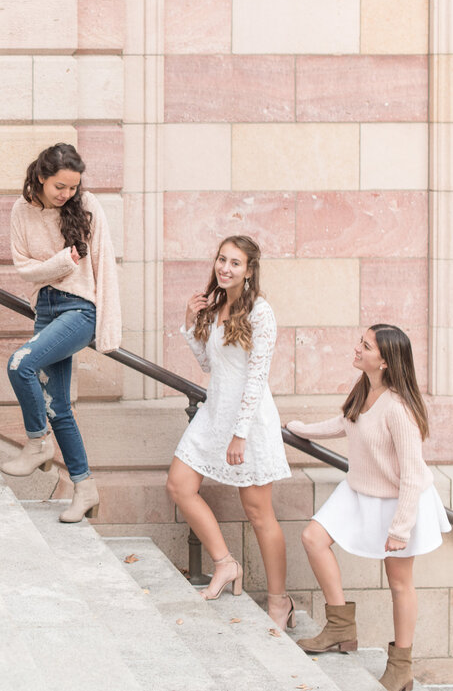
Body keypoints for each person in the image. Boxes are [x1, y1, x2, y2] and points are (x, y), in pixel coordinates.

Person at [285, 324, 450, 691]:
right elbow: (343, 423)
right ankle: (341, 627)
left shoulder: (400, 409)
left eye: (366, 345)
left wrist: (400, 528)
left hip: (399, 500)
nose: (357, 349)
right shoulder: (365, 390)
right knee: (313, 537)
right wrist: (298, 429)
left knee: (400, 583)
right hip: (359, 489)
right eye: (361, 342)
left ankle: (401, 666)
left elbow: (410, 475)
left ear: (386, 361)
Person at [165, 235, 294, 631]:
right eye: (222, 259)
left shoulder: (261, 312)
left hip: (248, 422)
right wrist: (191, 323)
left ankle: (279, 601)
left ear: (249, 270)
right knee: (179, 485)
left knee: (258, 513)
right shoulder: (217, 304)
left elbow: (256, 378)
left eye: (235, 263)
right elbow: (209, 364)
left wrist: (240, 435)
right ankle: (225, 563)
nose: (225, 268)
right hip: (214, 414)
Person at [0, 142, 121, 524]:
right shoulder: (21, 210)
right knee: (59, 407)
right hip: (46, 309)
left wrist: (107, 329)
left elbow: (105, 266)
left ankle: (37, 444)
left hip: (80, 310)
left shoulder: (87, 207)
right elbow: (24, 268)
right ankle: (85, 489)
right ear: (41, 177)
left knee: (20, 364)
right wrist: (60, 262)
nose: (67, 194)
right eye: (60, 187)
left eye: (73, 187)